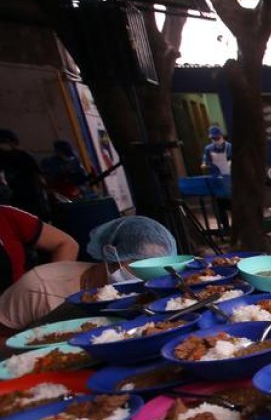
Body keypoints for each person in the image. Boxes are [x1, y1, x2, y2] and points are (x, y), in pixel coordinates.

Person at [0, 216, 174, 332]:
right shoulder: (38, 286)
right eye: (142, 267)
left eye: (157, 269)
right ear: (111, 254)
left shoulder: (153, 294)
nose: (149, 279)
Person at [0, 129, 49, 221]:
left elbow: (39, 176)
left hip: (30, 197)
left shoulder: (24, 157)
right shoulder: (4, 158)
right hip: (16, 199)